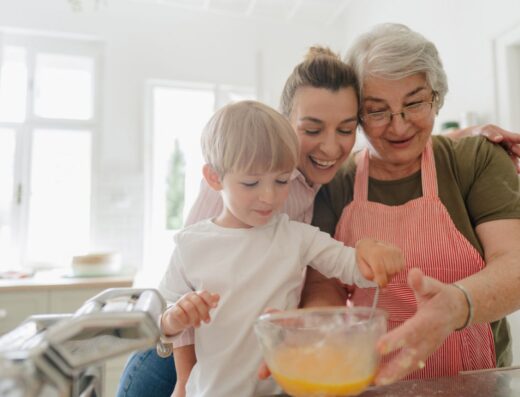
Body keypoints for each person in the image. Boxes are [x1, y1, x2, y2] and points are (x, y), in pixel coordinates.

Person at [116, 45, 520, 397]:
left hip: (259, 361)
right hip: (182, 360)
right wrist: (184, 383)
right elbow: (188, 289)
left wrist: (467, 135)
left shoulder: (335, 180)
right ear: (283, 122)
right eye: (311, 129)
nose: (331, 147)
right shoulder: (238, 182)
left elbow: (345, 257)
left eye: (345, 129)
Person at [303, 23, 520, 386]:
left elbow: (514, 264)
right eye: (377, 111)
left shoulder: (476, 159)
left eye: (414, 103)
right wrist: (324, 337)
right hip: (372, 381)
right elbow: (323, 285)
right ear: (356, 114)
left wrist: (456, 305)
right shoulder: (335, 184)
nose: (399, 126)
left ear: (436, 96)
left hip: (478, 380)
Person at [158, 100, 405, 397]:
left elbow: (352, 267)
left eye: (281, 180)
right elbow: (161, 324)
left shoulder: (296, 237)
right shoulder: (190, 245)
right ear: (214, 177)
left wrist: (373, 258)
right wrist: (175, 318)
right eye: (251, 183)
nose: (268, 196)